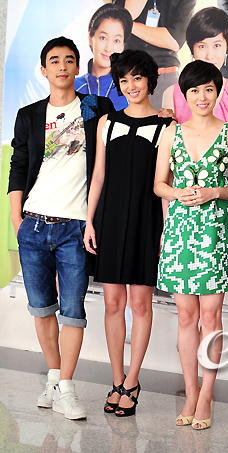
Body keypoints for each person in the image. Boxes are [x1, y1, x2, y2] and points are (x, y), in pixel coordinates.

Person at [8, 36, 114, 419]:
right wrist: (17, 220)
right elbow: (18, 166)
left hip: (75, 228)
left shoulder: (96, 108)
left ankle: (66, 388)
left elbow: (126, 126)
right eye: (54, 60)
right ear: (43, 69)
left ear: (77, 67)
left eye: (69, 60)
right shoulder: (29, 115)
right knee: (41, 309)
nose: (62, 66)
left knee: (72, 310)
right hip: (34, 224)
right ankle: (54, 378)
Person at [83, 49, 172, 417]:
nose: (132, 85)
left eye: (138, 78)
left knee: (140, 304)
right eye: (124, 80)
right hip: (110, 220)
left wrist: (165, 231)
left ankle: (133, 381)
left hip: (147, 220)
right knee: (112, 304)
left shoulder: (167, 125)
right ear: (118, 85)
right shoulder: (106, 123)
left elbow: (165, 184)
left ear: (150, 80)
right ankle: (117, 378)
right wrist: (90, 221)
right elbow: (98, 175)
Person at [155, 60, 228, 430]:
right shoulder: (172, 133)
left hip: (217, 232)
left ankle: (207, 395)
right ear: (184, 94)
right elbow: (159, 184)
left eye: (208, 89)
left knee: (211, 317)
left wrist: (213, 192)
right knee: (186, 317)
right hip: (180, 233)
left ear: (218, 91)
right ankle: (190, 393)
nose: (202, 96)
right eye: (194, 90)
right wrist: (178, 193)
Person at [163, 7, 228, 124]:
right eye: (202, 46)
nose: (209, 56)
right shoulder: (173, 93)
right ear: (192, 49)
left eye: (217, 45)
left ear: (226, 47)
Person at [113, 0, 196, 110]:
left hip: (163, 78)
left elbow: (175, 40)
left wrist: (129, 25)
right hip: (127, 78)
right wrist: (124, 22)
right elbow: (121, 19)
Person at [75, 3, 133, 110]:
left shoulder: (130, 92)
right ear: (90, 38)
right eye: (103, 38)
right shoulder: (72, 87)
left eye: (116, 41)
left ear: (123, 45)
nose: (108, 48)